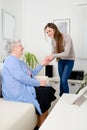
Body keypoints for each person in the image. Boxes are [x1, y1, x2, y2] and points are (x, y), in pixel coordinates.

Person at [1, 40, 56, 130]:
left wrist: (42, 64)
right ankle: (41, 125)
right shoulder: (10, 60)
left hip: (22, 86)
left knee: (47, 89)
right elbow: (21, 77)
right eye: (20, 45)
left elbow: (32, 73)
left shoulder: (19, 62)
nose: (22, 47)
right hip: (15, 91)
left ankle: (42, 123)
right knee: (45, 92)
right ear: (13, 48)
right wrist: (38, 83)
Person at [44, 23, 75, 97]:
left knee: (64, 80)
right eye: (47, 32)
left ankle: (66, 98)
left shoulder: (66, 37)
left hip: (69, 60)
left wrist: (53, 55)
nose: (48, 34)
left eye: (49, 31)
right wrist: (48, 60)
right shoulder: (53, 40)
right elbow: (53, 53)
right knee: (61, 80)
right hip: (61, 60)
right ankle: (61, 97)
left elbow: (66, 53)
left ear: (54, 29)